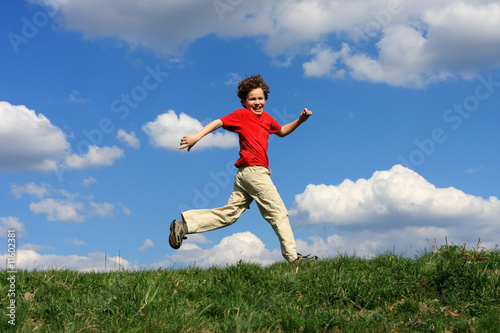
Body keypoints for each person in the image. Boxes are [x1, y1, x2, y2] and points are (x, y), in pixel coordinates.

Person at [169, 74, 317, 263]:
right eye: (252, 99)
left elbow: (282, 131)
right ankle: (294, 258)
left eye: (260, 98)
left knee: (230, 214)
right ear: (244, 102)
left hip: (246, 175)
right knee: (278, 212)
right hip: (254, 172)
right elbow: (218, 122)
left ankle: (183, 226)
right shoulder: (242, 115)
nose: (257, 102)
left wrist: (300, 120)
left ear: (266, 99)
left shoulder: (268, 119)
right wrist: (197, 137)